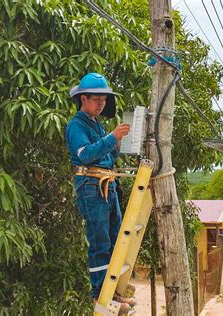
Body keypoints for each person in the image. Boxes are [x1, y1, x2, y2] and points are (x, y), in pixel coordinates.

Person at [65, 73, 136, 313]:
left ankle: (112, 292)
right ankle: (98, 295)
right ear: (83, 99)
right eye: (96, 99)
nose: (101, 104)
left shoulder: (98, 124)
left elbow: (106, 156)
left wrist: (116, 144)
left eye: (103, 100)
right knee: (100, 242)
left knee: (116, 240)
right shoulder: (77, 124)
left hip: (107, 183)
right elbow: (84, 154)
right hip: (91, 185)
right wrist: (111, 138)